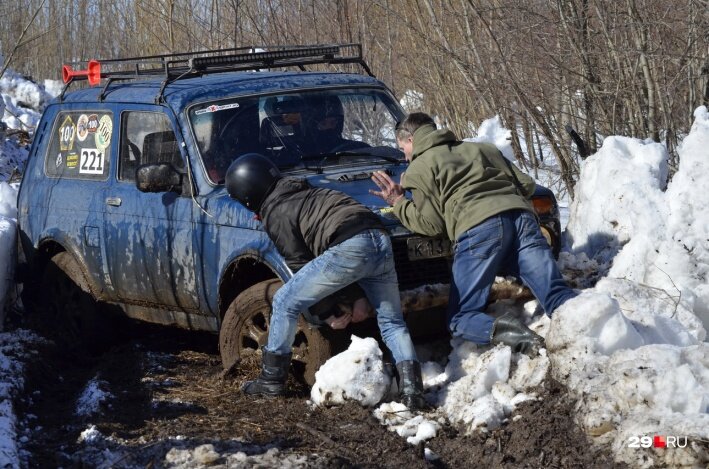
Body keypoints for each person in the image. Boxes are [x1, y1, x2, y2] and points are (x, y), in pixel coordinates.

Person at [225, 153, 425, 409]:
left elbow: (301, 265)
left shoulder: (277, 211)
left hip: (351, 246)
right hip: (379, 239)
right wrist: (358, 298)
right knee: (392, 322)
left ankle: (271, 381)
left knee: (285, 300)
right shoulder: (310, 192)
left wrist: (327, 312)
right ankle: (413, 391)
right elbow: (339, 252)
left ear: (247, 194)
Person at [370, 112, 577, 354]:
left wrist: (398, 203)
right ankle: (588, 330)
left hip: (478, 230)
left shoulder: (419, 167)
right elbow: (528, 186)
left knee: (461, 317)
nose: (404, 155)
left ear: (411, 140)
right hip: (522, 220)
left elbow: (432, 225)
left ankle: (518, 335)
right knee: (556, 293)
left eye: (402, 147)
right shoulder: (482, 149)